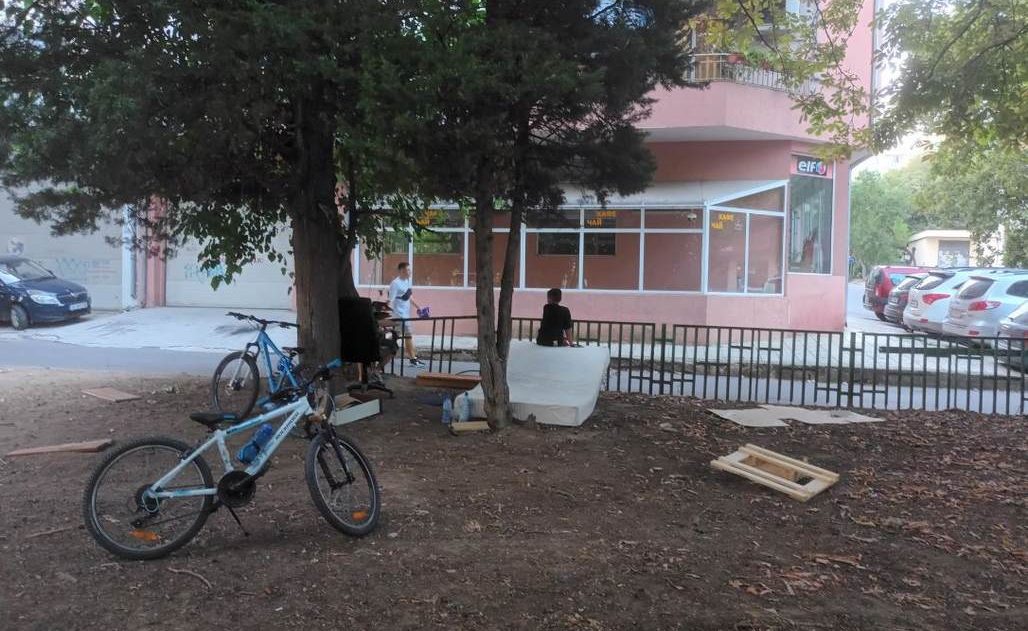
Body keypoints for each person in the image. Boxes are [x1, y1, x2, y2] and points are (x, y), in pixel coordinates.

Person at [388, 262, 424, 367]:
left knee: (397, 337)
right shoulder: (395, 283)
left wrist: (419, 308)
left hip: (405, 314)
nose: (410, 272)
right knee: (406, 336)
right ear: (401, 271)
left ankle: (383, 352)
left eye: (409, 270)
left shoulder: (407, 281)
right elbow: (390, 300)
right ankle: (413, 359)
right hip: (399, 315)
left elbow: (409, 297)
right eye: (407, 270)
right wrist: (388, 313)